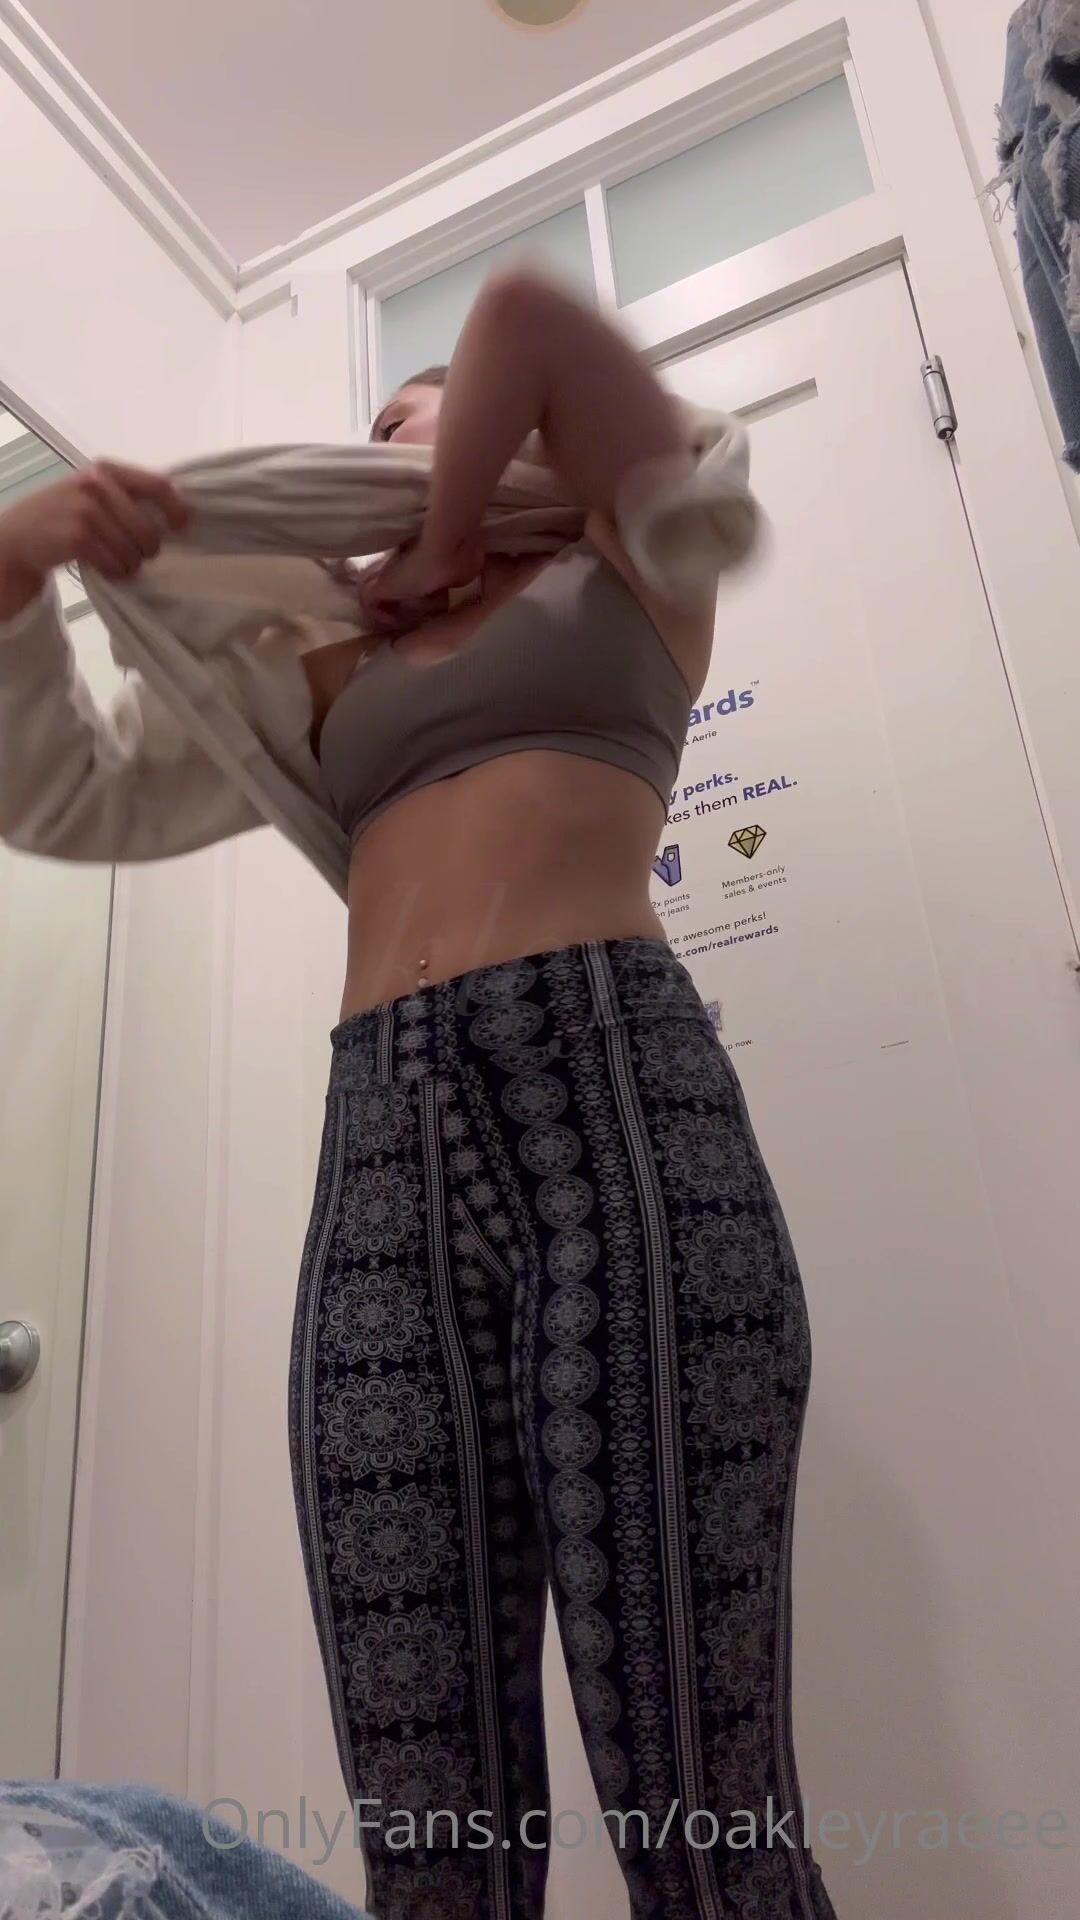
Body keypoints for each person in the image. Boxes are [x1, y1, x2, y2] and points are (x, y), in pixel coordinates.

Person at [0, 268, 834, 1920]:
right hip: (381, 1141)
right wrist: (22, 560)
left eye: (415, 413)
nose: (383, 440)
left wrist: (448, 529)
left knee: (702, 1806)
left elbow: (532, 314)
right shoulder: (319, 661)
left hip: (624, 1108)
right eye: (369, 429)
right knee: (428, 1826)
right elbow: (68, 789)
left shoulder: (639, 554)